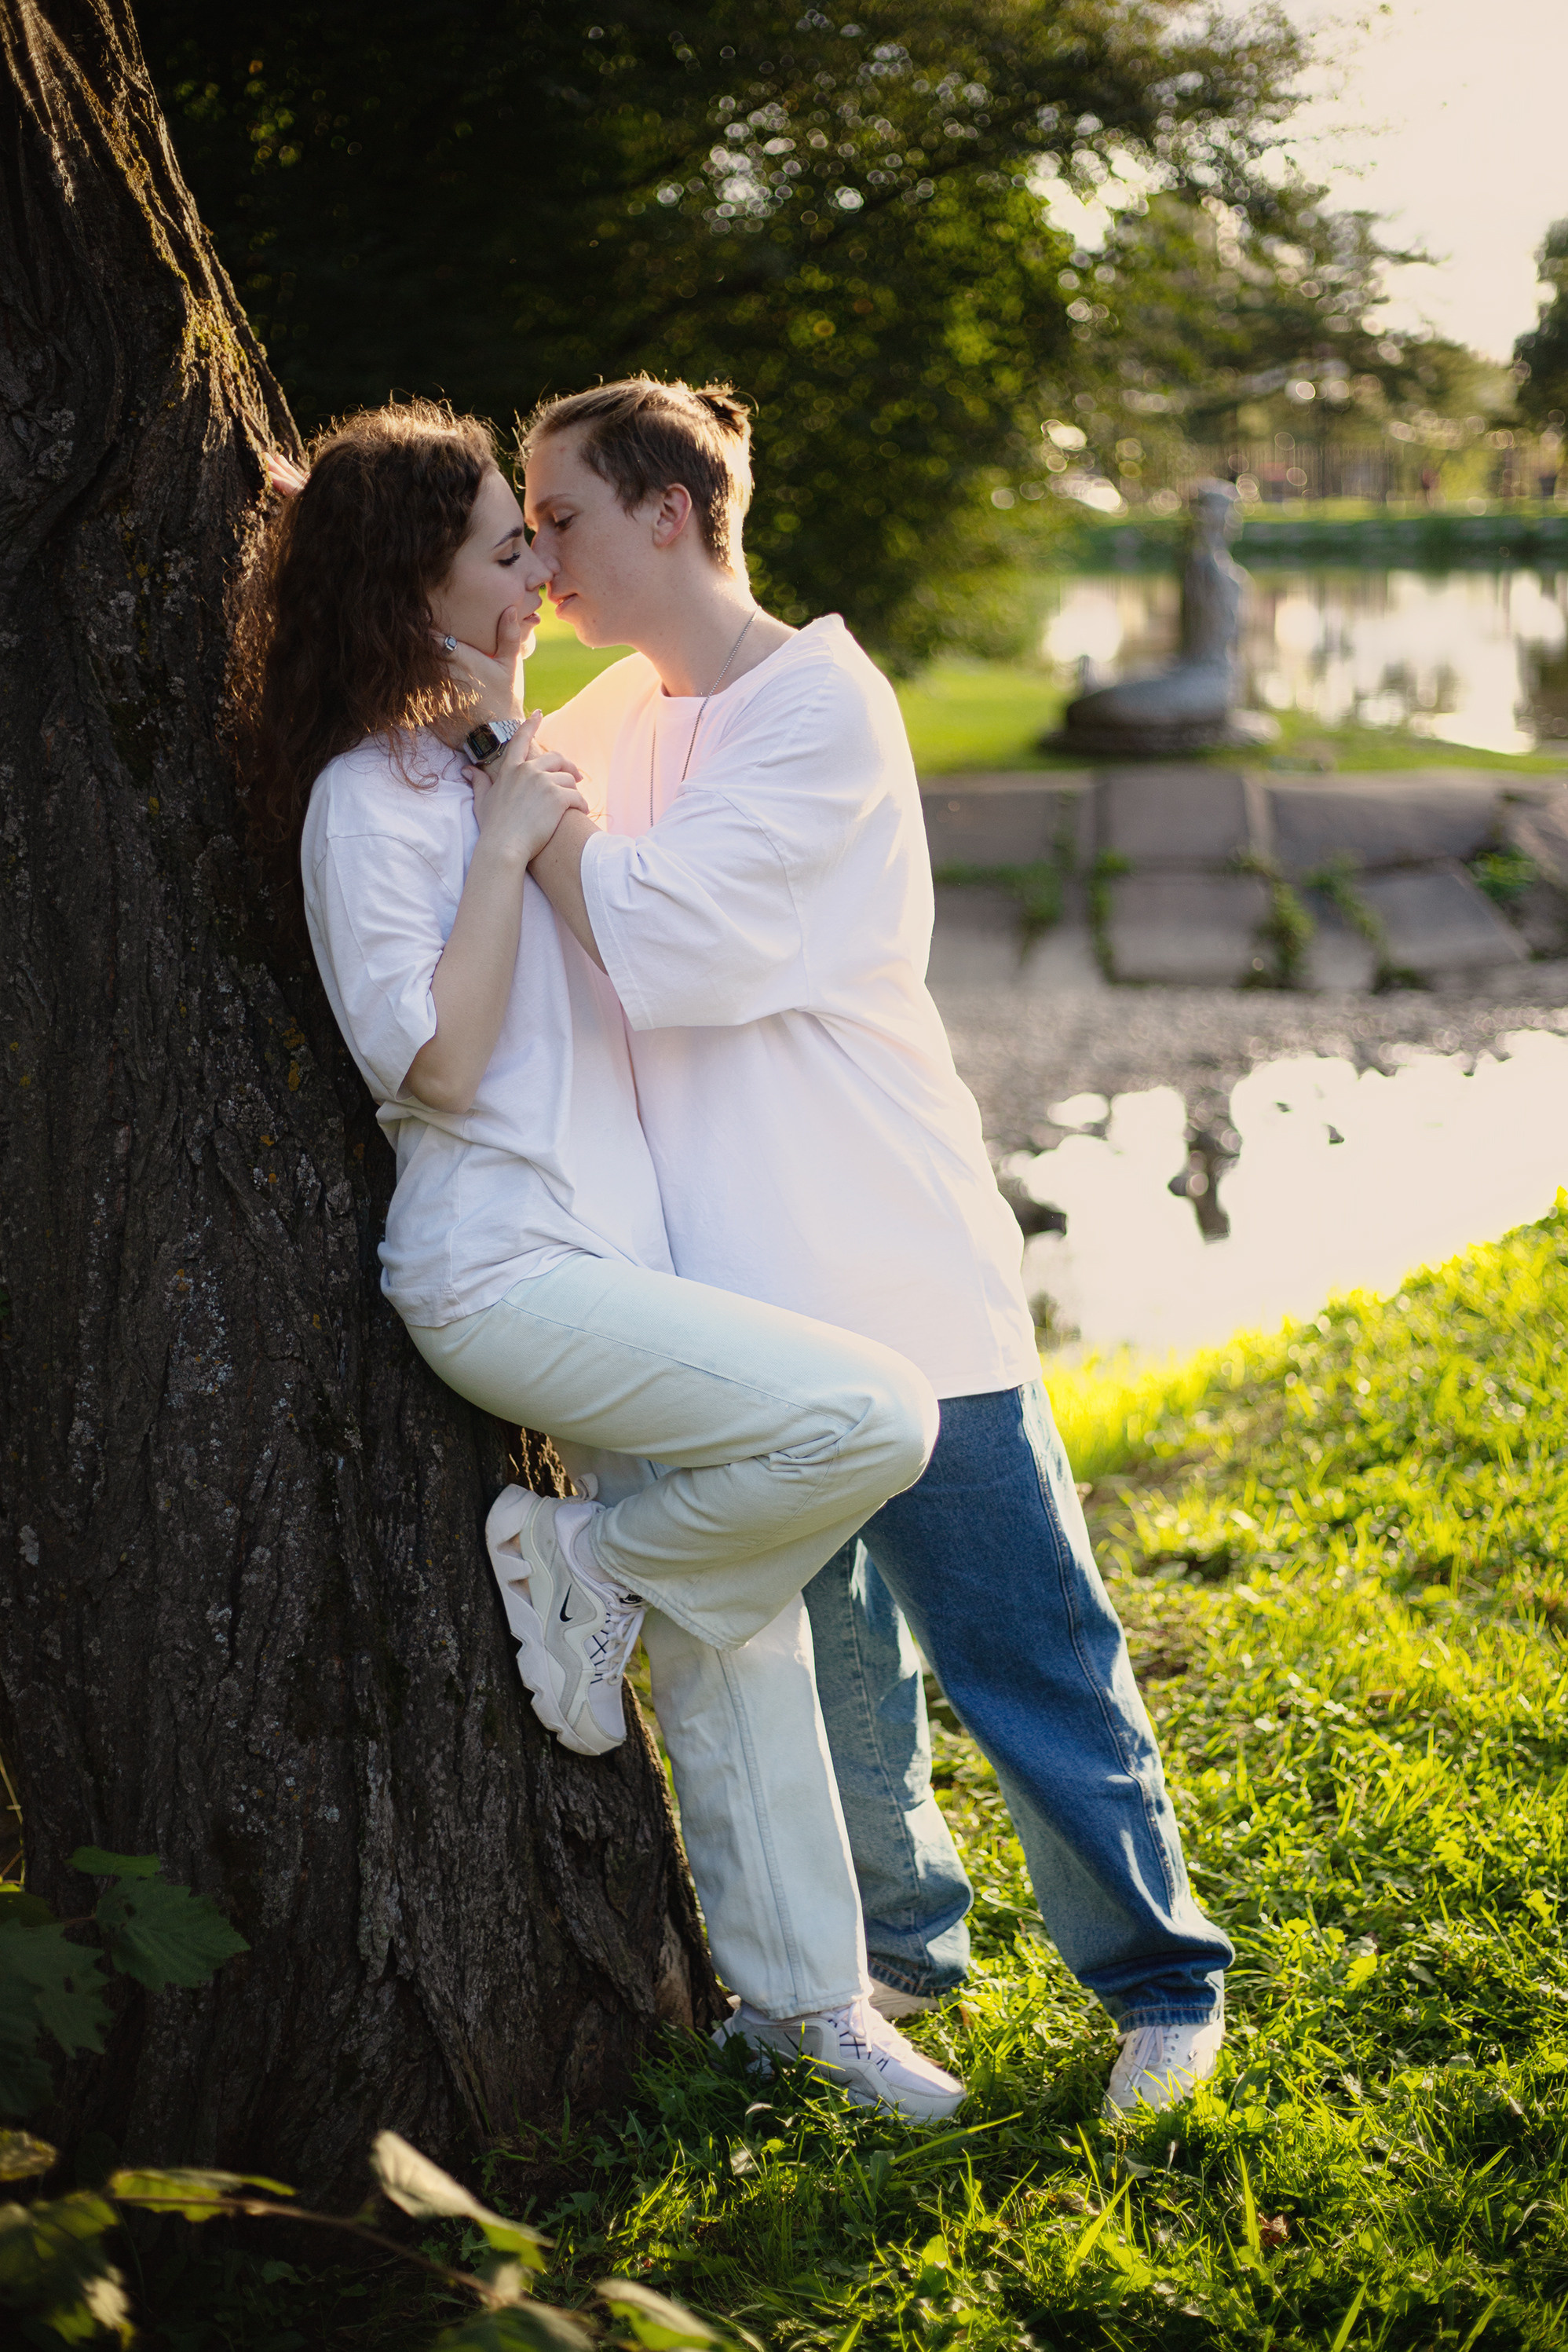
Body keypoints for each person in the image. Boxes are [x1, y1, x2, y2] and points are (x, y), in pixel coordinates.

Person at [453, 375, 1234, 2119]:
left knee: (1028, 1649)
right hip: (737, 1318)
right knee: (842, 1688)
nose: (541, 548)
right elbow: (492, 769)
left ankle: (1164, 1985)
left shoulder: (823, 702)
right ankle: (901, 1960)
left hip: (896, 1267)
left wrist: (537, 800)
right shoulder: (626, 719)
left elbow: (681, 940)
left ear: (672, 512)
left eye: (561, 512)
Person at [237, 402, 964, 2120]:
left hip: (623, 1257)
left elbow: (498, 693)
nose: (542, 570)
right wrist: (501, 854)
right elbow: (440, 1068)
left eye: (543, 531)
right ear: (423, 581)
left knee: (750, 1626)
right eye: (511, 544)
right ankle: (589, 1559)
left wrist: (335, 526)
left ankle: (806, 2012)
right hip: (502, 1274)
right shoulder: (368, 802)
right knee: (868, 1419)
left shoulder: (499, 750)